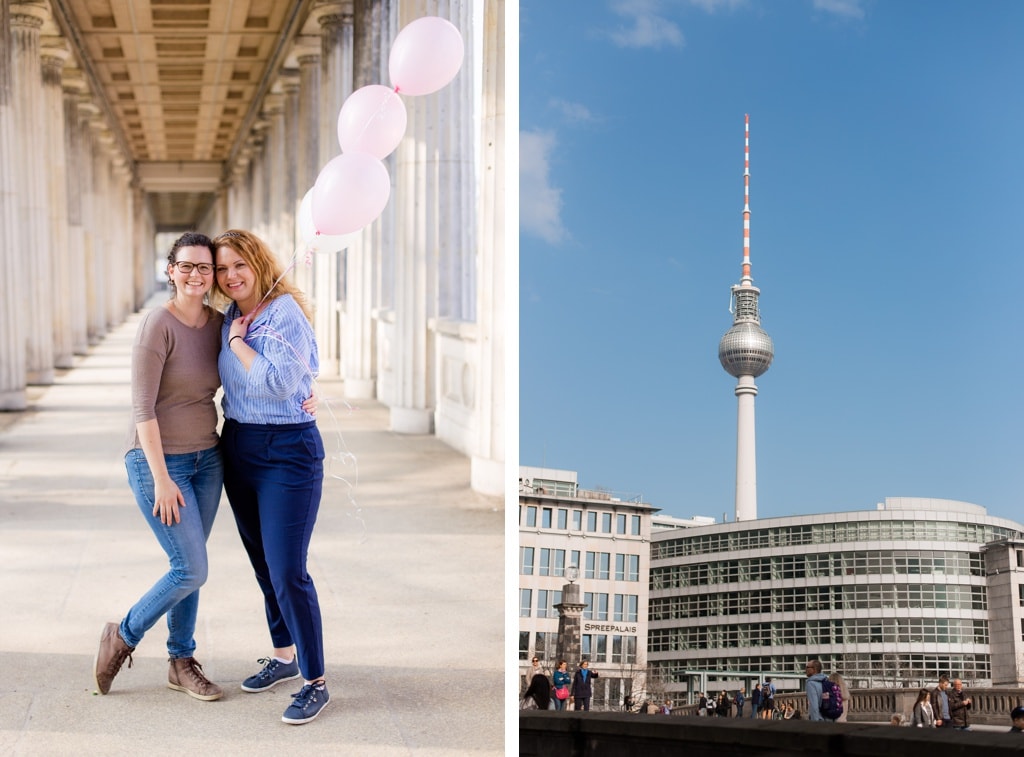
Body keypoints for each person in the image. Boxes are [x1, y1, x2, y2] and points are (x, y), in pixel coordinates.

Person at [94, 233, 225, 701]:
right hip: (157, 462)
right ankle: (124, 634)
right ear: (171, 270)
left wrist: (303, 394)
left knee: (192, 563)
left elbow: (247, 376)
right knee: (189, 568)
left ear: (214, 275)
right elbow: (142, 410)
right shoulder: (157, 326)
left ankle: (180, 661)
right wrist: (163, 479)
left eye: (205, 268)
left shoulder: (220, 324)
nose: (196, 275)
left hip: (208, 459)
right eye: (186, 266)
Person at [212, 229, 328, 725]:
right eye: (221, 269)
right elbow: (306, 370)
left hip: (288, 452)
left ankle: (315, 682)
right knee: (263, 565)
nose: (231, 275)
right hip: (238, 445)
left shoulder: (282, 313)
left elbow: (281, 384)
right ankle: (284, 658)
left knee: (287, 570)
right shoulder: (229, 319)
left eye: (239, 264)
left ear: (258, 263)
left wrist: (240, 344)